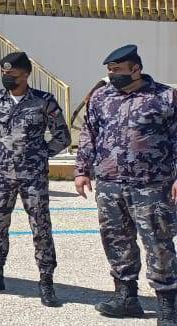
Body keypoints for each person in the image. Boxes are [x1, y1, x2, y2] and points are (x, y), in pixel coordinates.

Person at [76, 45, 177, 321]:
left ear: (136, 69)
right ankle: (125, 297)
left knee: (158, 242)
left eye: (118, 70)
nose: (112, 75)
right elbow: (89, 133)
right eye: (110, 70)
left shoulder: (165, 97)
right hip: (109, 183)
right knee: (116, 240)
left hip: (151, 184)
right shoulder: (101, 97)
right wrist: (82, 170)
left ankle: (167, 304)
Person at [0, 51, 70, 307]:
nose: (6, 77)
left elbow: (62, 136)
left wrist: (39, 154)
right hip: (1, 175)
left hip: (33, 176)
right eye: (4, 73)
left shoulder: (44, 101)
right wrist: (0, 151)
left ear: (25, 74)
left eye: (12, 74)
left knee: (40, 227)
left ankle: (46, 282)